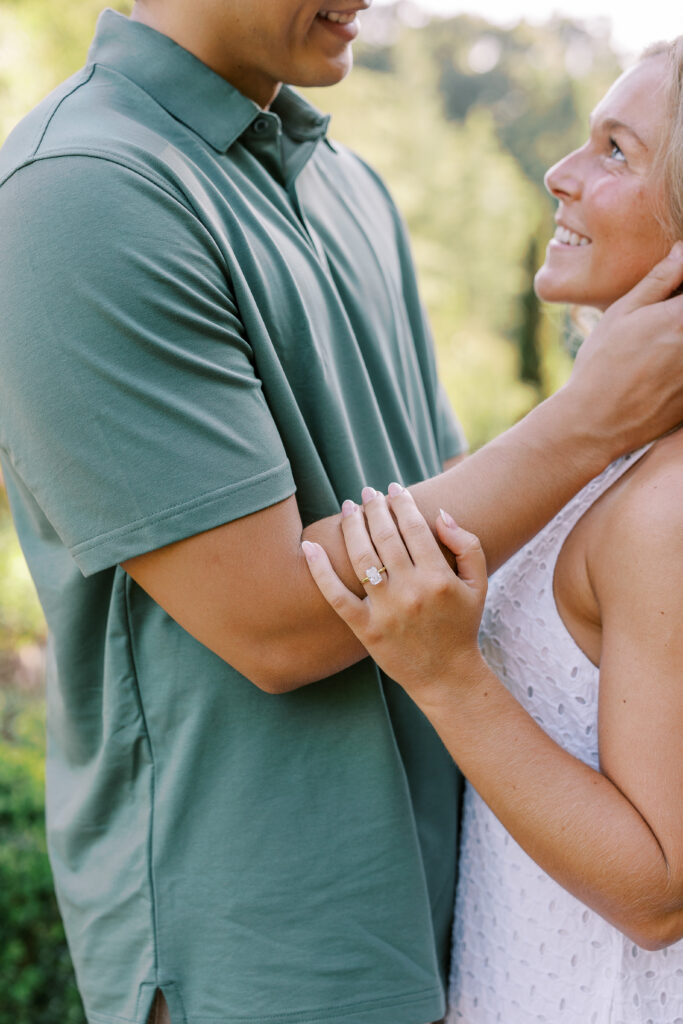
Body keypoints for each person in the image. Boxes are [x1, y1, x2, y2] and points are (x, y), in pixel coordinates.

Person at [1, 3, 683, 1022]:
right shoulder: (79, 196)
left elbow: (453, 511)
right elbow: (274, 620)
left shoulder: (346, 189)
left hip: (459, 925)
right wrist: (584, 420)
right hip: (266, 959)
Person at [302, 38, 683, 1024]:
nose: (559, 173)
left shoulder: (662, 509)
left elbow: (657, 889)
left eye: (613, 152)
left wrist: (442, 674)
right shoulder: (613, 450)